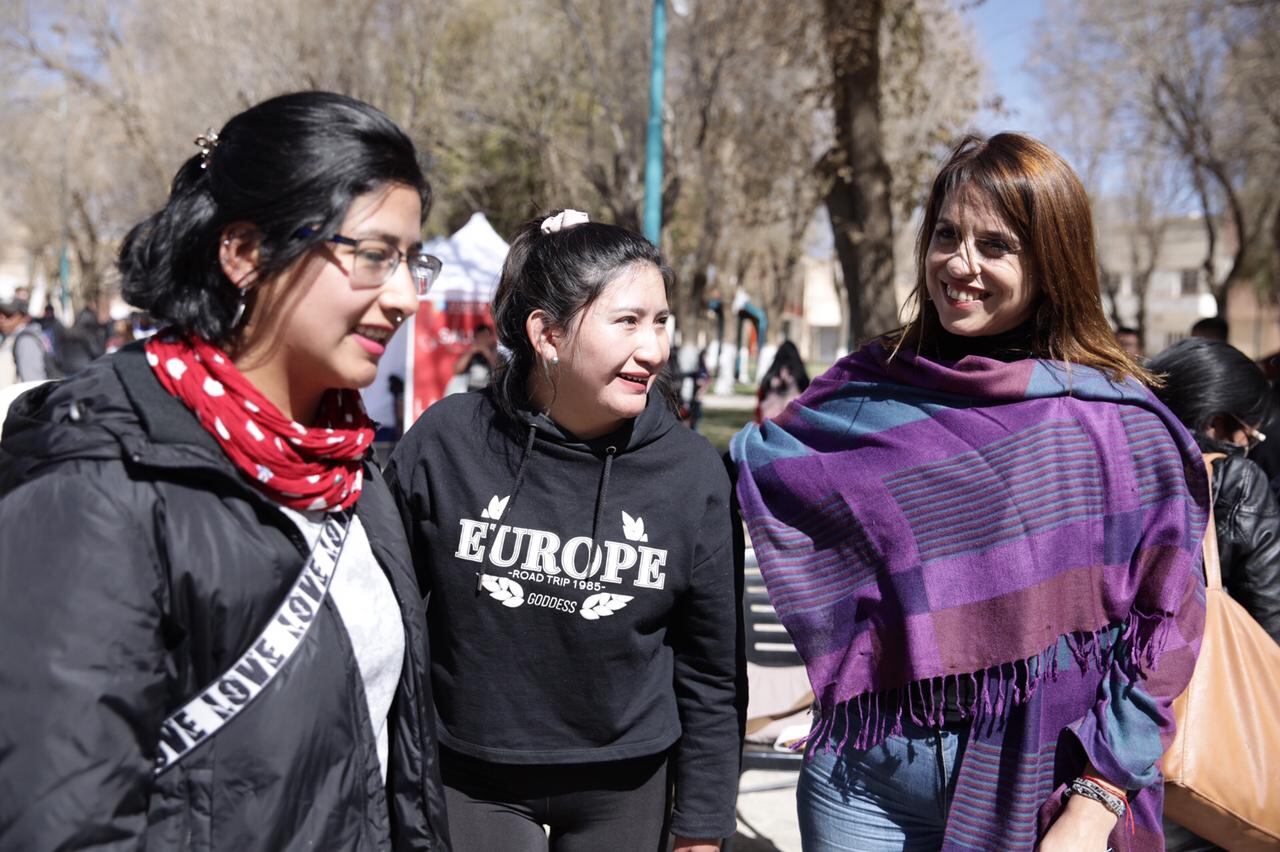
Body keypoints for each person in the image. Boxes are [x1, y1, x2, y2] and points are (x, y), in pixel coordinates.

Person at [0, 92, 452, 851]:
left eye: (413, 260)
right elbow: (64, 821)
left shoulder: (350, 467)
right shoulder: (100, 486)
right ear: (244, 253)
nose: (405, 297)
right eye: (374, 255)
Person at [733, 133, 1207, 851]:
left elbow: (1170, 629)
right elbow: (752, 466)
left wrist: (1098, 797)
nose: (961, 265)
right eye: (947, 236)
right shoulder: (874, 383)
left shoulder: (1115, 426)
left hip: (1035, 774)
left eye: (996, 246)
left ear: (1052, 263)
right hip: (861, 776)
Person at [386, 209, 742, 852]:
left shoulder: (693, 475)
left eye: (661, 321)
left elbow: (712, 673)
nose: (655, 349)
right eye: (628, 321)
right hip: (471, 777)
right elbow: (383, 624)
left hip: (627, 785)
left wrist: (701, 830)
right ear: (546, 334)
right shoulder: (446, 443)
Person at [1149, 338, 1280, 643]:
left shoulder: (1119, 456)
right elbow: (1270, 613)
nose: (1248, 448)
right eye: (1251, 435)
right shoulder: (1238, 480)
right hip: (1209, 677)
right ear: (1215, 424)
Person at [0, 297, 55, 385]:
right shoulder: (13, 336)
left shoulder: (25, 340)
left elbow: (33, 384)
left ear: (24, 317)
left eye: (8, 315)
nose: (2, 319)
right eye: (0, 314)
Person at [755, 340, 809, 423]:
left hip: (769, 420)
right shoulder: (799, 374)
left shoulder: (772, 374)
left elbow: (761, 396)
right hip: (794, 420)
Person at [452, 322, 500, 391]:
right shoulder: (472, 355)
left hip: (490, 393)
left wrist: (487, 353)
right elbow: (457, 370)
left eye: (486, 337)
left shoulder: (498, 354)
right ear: (475, 338)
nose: (484, 340)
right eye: (481, 337)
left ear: (492, 338)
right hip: (472, 393)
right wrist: (470, 353)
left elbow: (499, 372)